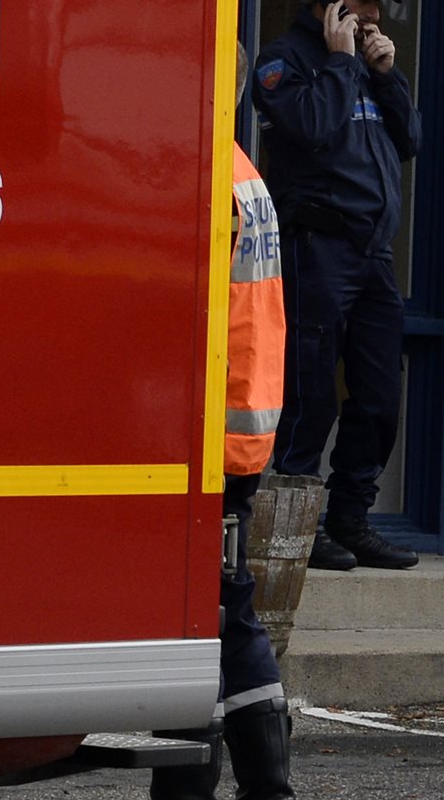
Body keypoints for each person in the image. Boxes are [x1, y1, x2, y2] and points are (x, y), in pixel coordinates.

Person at [149, 44, 295, 800]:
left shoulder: (203, 176)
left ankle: (199, 782)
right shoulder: (242, 169)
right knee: (224, 609)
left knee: (208, 614)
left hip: (208, 437)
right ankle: (263, 780)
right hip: (242, 429)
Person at [253, 0, 422, 571]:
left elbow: (410, 139)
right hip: (316, 246)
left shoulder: (367, 62)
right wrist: (343, 61)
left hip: (374, 253)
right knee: (310, 395)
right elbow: (314, 128)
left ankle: (351, 519)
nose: (373, 12)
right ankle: (297, 525)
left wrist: (386, 74)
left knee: (379, 397)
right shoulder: (285, 60)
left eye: (380, 1)